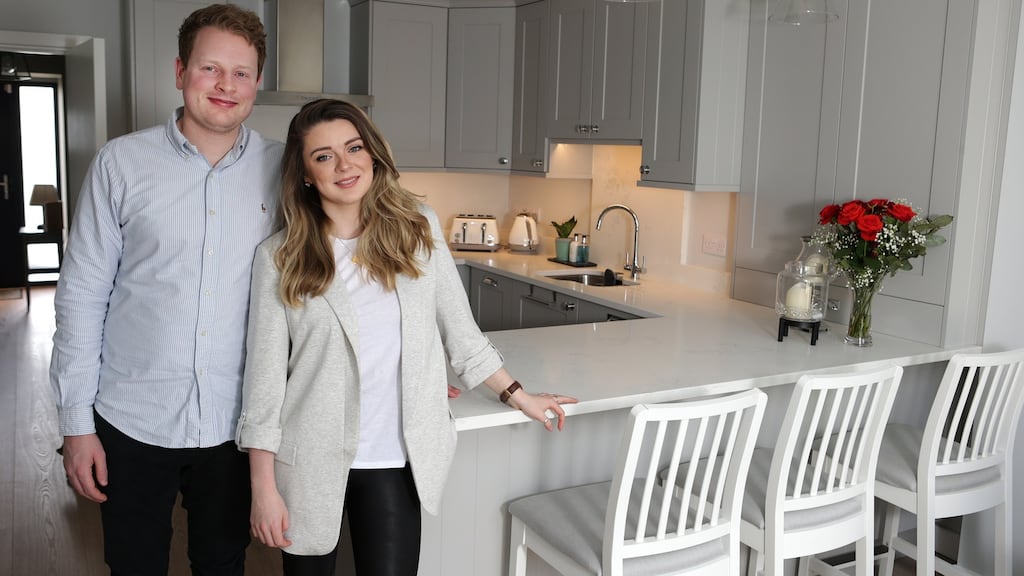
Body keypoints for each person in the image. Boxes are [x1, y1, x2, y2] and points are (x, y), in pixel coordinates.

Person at [236, 98, 578, 575]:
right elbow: (265, 381)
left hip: (395, 456)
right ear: (306, 175)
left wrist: (518, 395)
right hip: (309, 456)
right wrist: (263, 487)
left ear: (372, 154)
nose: (344, 164)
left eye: (353, 147)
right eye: (323, 156)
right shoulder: (279, 257)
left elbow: (460, 331)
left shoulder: (417, 229)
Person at [50, 4, 281, 574]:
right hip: (132, 417)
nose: (226, 86)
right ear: (180, 71)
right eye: (210, 68)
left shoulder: (285, 169)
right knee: (132, 566)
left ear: (258, 81)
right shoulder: (120, 164)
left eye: (242, 72)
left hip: (236, 425)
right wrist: (76, 425)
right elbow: (82, 296)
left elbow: (338, 274)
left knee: (223, 566)